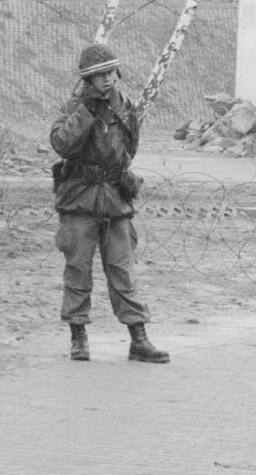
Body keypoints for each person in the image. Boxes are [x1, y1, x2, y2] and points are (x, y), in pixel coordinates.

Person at [49, 43, 168, 364]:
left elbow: (130, 149)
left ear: (118, 73)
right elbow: (61, 144)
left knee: (122, 271)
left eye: (109, 73)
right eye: (97, 75)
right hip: (79, 199)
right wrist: (85, 113)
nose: (105, 80)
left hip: (115, 199)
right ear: (87, 80)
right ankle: (78, 338)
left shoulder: (125, 107)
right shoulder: (74, 107)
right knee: (78, 270)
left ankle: (139, 339)